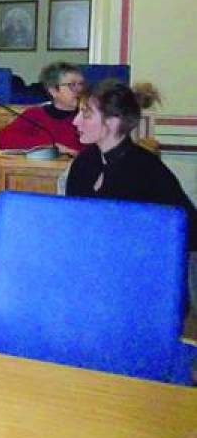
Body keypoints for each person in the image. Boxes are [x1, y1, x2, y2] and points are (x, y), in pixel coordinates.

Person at [66, 80, 196, 308]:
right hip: (100, 271)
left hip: (146, 278)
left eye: (85, 115)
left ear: (113, 121)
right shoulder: (84, 163)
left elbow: (186, 231)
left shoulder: (146, 169)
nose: (75, 121)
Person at [0, 61, 86, 154]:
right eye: (72, 85)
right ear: (53, 91)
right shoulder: (36, 114)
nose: (80, 89)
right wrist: (50, 145)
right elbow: (3, 139)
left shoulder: (90, 115)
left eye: (81, 84)